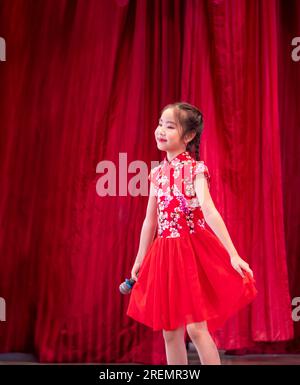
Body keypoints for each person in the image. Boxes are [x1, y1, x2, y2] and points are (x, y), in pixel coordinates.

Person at [126, 102, 258, 365]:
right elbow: (150, 220)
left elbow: (209, 211)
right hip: (164, 255)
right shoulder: (157, 173)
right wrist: (140, 259)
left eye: (170, 126)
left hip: (190, 253)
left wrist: (233, 254)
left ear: (188, 137)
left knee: (196, 328)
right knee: (170, 331)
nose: (161, 130)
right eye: (160, 124)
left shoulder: (195, 170)